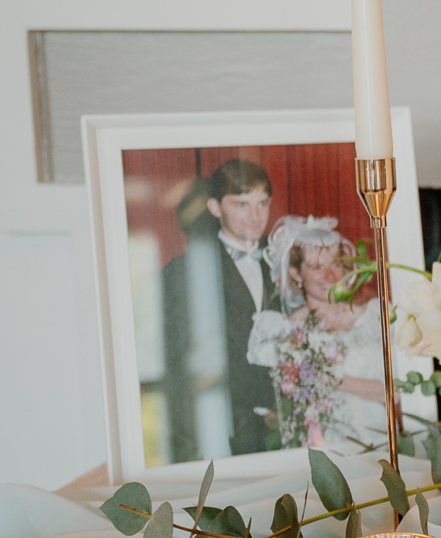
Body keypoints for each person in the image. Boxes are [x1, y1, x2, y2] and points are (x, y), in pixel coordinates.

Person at [159, 158, 279, 458]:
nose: (255, 216)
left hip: (290, 430)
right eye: (241, 204)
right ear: (215, 208)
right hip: (228, 434)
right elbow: (181, 365)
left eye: (262, 203)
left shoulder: (287, 261)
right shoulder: (185, 272)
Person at [246, 216, 393, 453]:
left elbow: (394, 393)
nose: (330, 276)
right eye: (316, 267)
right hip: (316, 455)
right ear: (295, 274)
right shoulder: (284, 333)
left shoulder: (376, 317)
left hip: (378, 448)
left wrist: (332, 379)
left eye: (335, 264)